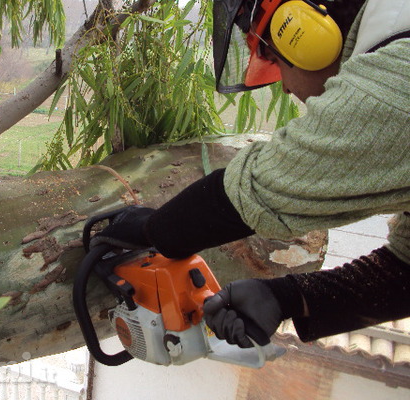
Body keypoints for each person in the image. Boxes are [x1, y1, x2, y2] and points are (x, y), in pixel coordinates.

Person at [90, 0, 410, 348]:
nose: (286, 88)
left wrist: (151, 229)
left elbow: (266, 185)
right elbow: (404, 272)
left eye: (274, 60)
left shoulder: (394, 85)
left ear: (305, 36)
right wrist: (287, 297)